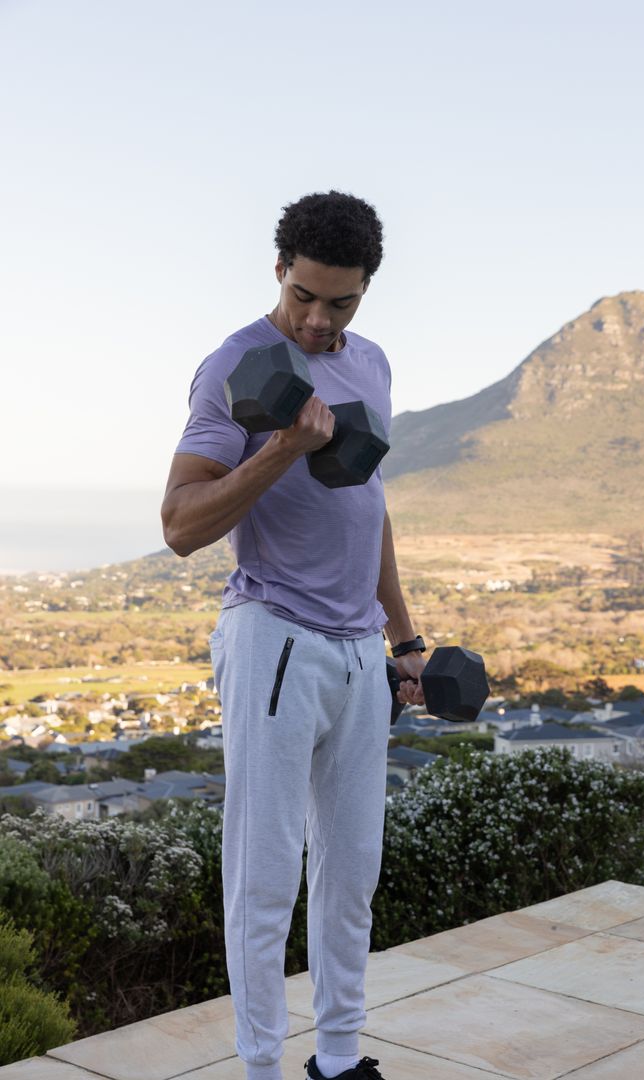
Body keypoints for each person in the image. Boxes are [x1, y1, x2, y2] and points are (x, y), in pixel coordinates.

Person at [161, 191, 426, 1080]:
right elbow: (180, 524)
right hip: (273, 634)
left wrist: (405, 638)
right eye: (305, 295)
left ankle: (340, 1061)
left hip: (358, 653)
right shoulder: (234, 365)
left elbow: (370, 507)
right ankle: (263, 1069)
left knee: (353, 872)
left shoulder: (375, 364)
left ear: (364, 293)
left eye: (340, 303)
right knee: (266, 879)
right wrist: (276, 449)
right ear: (280, 268)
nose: (318, 320)